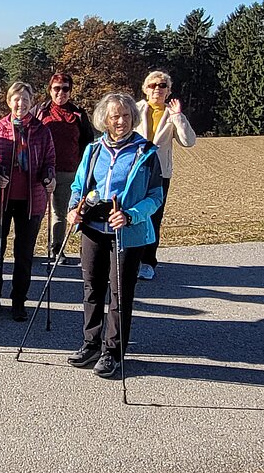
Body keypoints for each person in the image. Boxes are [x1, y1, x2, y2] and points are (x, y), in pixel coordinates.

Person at [65, 93, 164, 378]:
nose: (121, 121)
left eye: (126, 115)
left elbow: (155, 196)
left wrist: (130, 215)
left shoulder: (146, 152)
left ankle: (113, 351)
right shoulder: (94, 149)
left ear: (133, 117)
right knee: (92, 288)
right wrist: (74, 208)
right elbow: (79, 186)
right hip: (93, 229)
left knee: (120, 293)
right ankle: (90, 344)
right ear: (105, 120)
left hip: (127, 232)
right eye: (115, 116)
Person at [0, 82, 55, 321]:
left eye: (25, 99)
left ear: (31, 102)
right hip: (0, 199)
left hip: (31, 201)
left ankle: (18, 302)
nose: (20, 104)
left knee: (24, 255)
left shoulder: (41, 131)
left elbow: (49, 161)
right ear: (9, 101)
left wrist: (49, 177)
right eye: (16, 99)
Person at [134, 71, 196, 280]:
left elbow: (188, 141)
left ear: (168, 91)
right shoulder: (135, 110)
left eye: (162, 86)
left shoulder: (172, 114)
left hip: (160, 174)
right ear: (145, 89)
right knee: (132, 215)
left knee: (153, 218)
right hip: (134, 172)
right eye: (153, 85)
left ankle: (148, 262)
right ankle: (131, 259)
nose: (157, 89)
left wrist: (178, 116)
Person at [33, 72, 95, 266]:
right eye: (57, 88)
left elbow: (88, 142)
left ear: (70, 90)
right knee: (36, 212)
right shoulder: (39, 111)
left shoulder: (78, 114)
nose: (61, 92)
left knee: (60, 213)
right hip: (41, 171)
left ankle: (57, 249)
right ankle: (28, 248)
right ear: (50, 90)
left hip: (68, 171)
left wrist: (82, 167)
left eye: (65, 89)